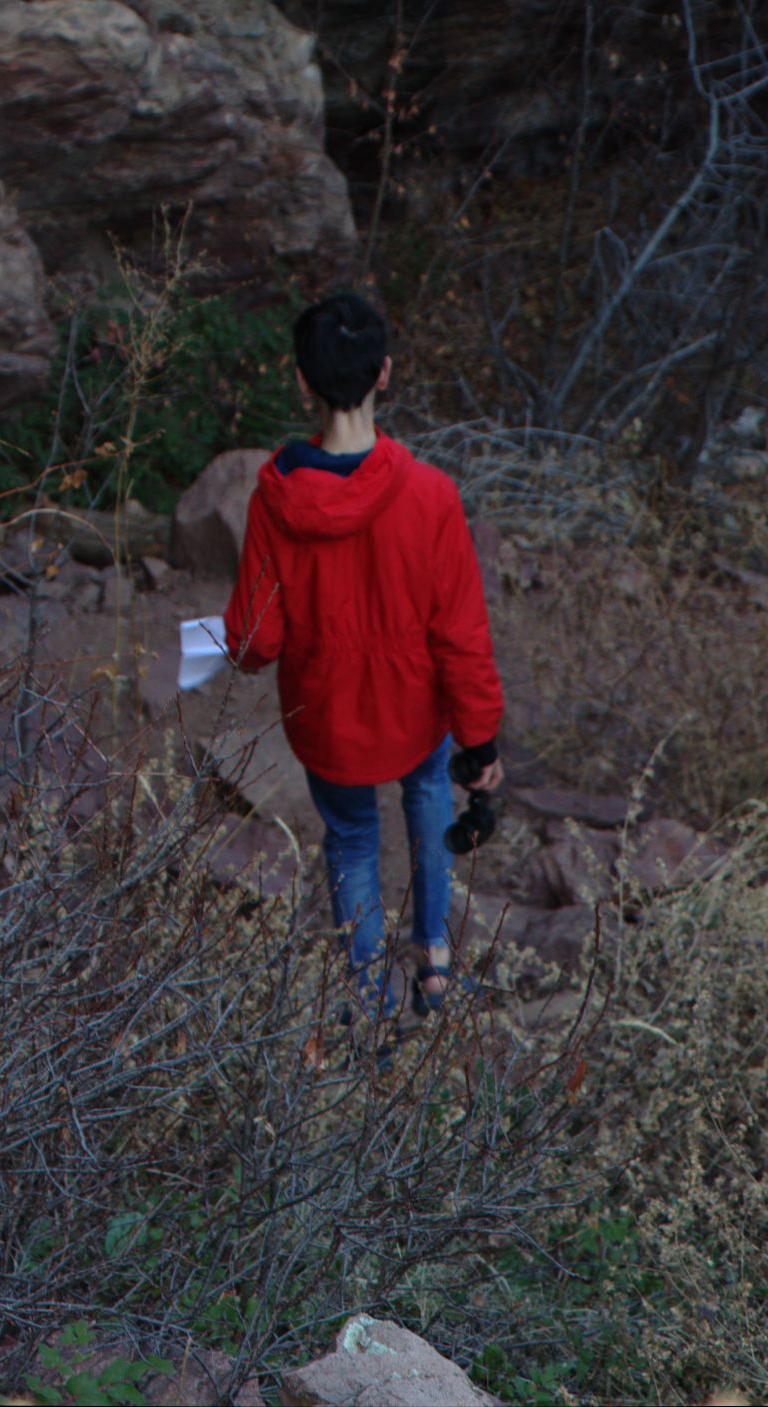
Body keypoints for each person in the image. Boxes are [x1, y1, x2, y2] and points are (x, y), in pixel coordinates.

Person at [224, 290, 504, 1020]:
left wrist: (215, 638)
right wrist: (480, 738)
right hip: (416, 708)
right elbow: (462, 634)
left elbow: (258, 641)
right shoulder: (432, 495)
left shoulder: (274, 500)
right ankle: (436, 967)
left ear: (301, 380)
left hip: (328, 717)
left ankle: (374, 1000)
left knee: (349, 841)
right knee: (429, 798)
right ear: (385, 373)